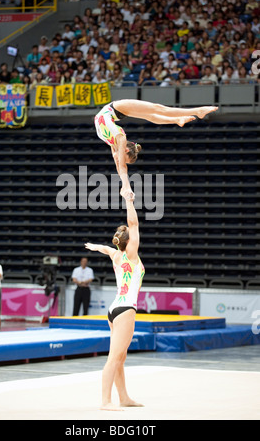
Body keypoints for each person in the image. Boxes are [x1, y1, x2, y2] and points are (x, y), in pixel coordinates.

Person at [85, 197, 145, 411]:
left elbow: (106, 249)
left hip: (114, 309)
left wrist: (94, 247)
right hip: (126, 309)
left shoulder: (116, 255)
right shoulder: (130, 255)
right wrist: (129, 201)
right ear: (130, 242)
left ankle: (124, 397)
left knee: (120, 356)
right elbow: (134, 224)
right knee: (114, 358)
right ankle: (105, 401)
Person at [94, 99, 218, 200]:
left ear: (125, 151)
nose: (119, 158)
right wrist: (125, 187)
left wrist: (126, 186)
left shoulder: (118, 140)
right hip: (114, 113)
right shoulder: (117, 142)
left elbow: (121, 167)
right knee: (151, 115)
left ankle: (197, 111)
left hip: (115, 108)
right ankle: (177, 119)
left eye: (122, 158)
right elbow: (119, 165)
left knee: (156, 108)